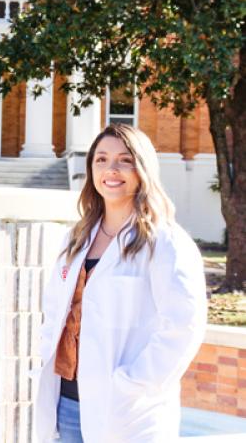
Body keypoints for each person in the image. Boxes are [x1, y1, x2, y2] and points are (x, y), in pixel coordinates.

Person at [33, 124, 207, 443]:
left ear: (142, 169)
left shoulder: (165, 242)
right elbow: (55, 314)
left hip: (128, 412)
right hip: (67, 403)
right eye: (101, 159)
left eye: (124, 160)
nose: (111, 170)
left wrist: (129, 385)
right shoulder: (75, 239)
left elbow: (184, 328)